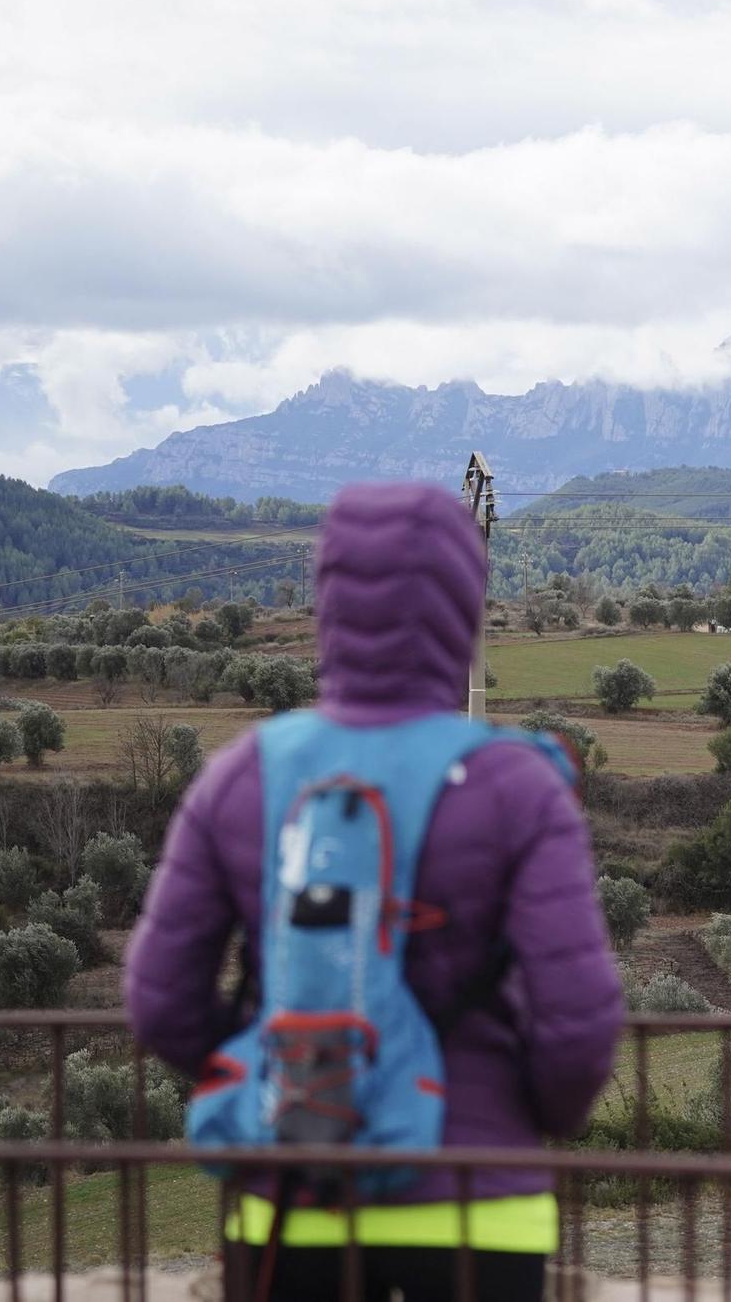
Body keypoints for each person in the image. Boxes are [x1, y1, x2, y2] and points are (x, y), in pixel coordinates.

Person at [126, 482, 625, 1302]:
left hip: (291, 1192)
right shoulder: (518, 784)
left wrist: (265, 1066)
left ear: (327, 599)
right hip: (478, 1201)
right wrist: (519, 1116)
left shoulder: (244, 773)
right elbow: (579, 1017)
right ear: (465, 604)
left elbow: (159, 998)